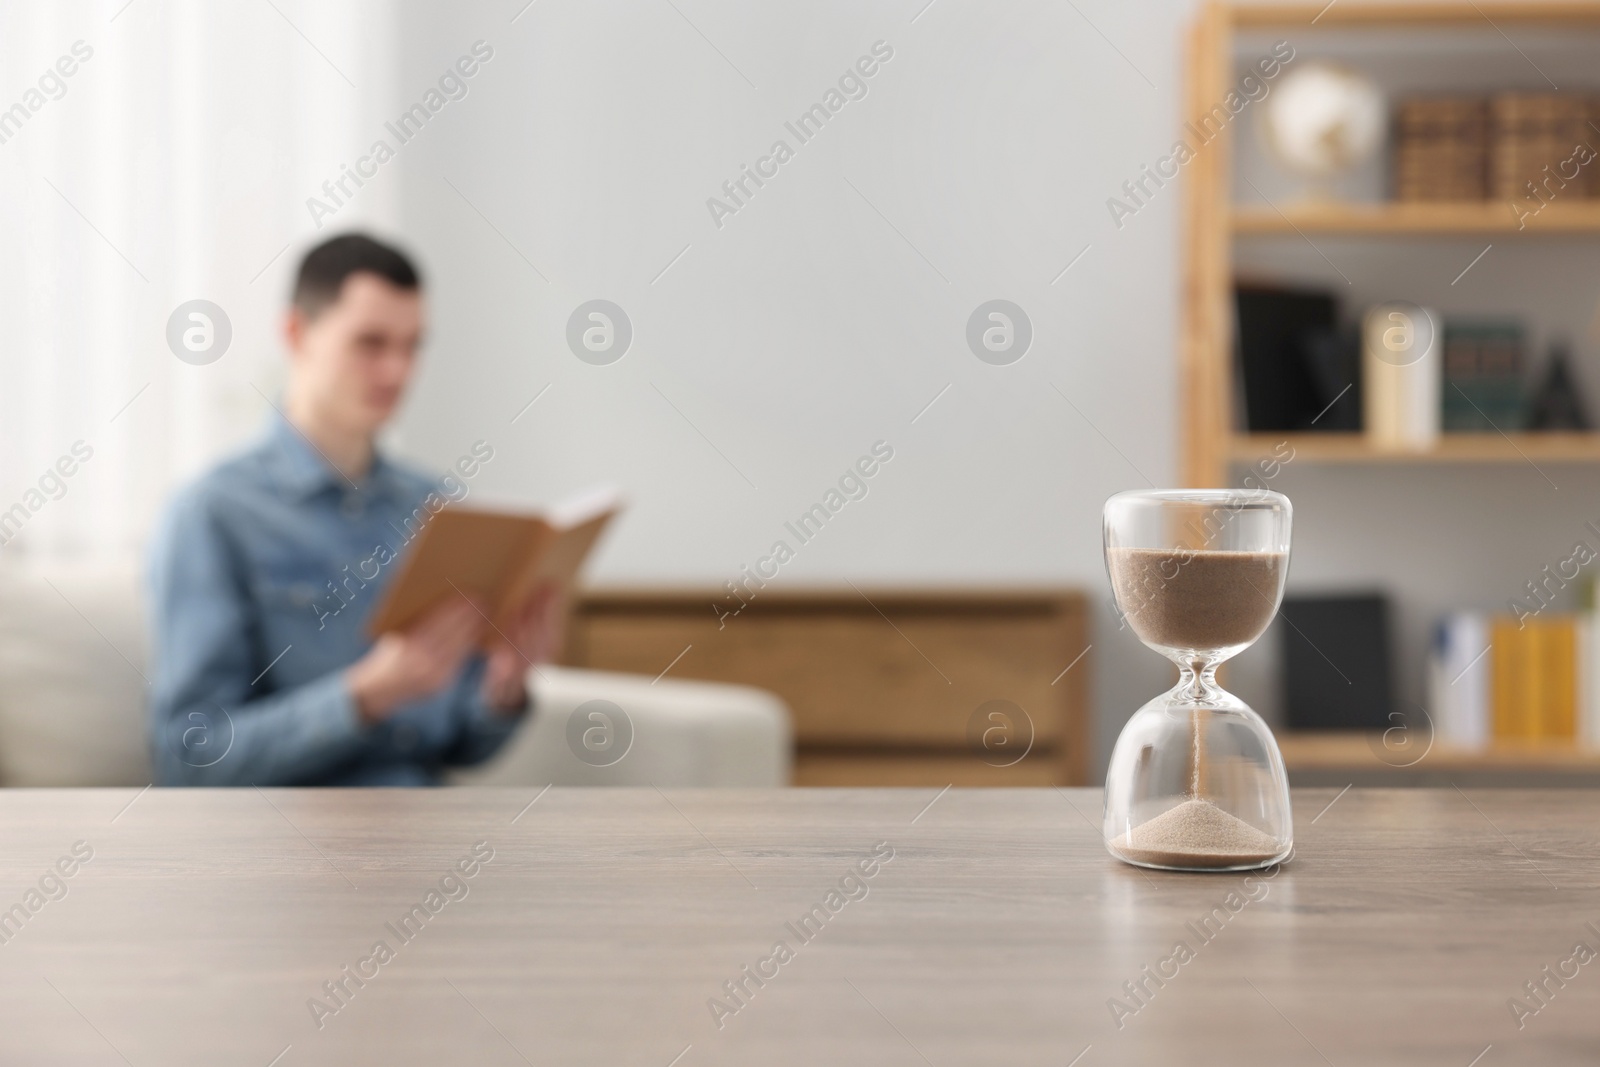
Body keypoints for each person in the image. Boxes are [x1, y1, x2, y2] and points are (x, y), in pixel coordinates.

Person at [148, 233, 557, 785]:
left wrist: (502, 689)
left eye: (413, 346)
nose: (397, 373)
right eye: (371, 343)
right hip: (295, 846)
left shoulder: (435, 505)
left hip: (431, 833)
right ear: (297, 334)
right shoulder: (214, 513)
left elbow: (460, 744)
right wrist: (367, 694)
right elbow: (189, 757)